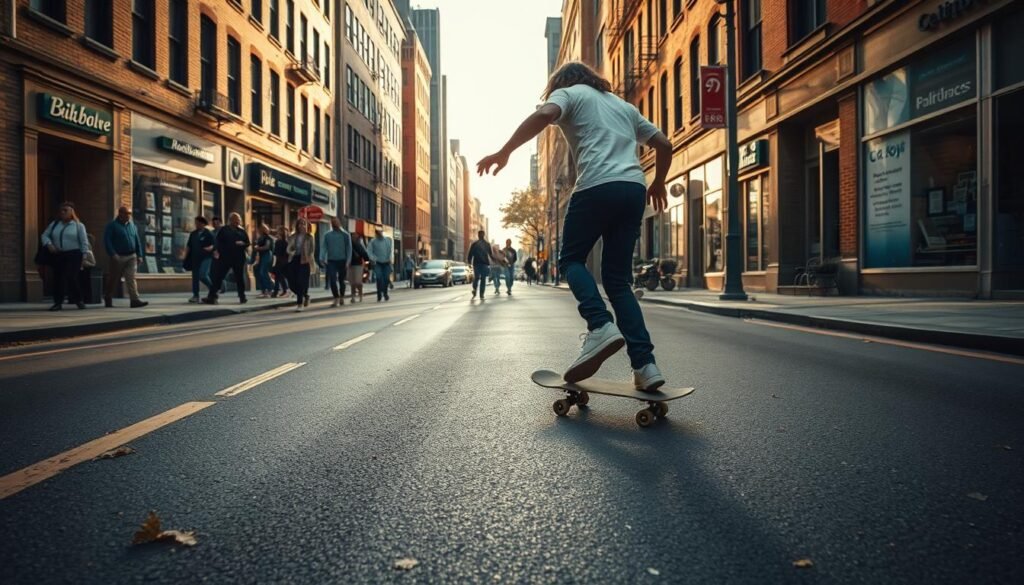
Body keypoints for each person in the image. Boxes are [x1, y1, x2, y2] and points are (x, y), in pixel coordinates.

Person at [477, 61, 671, 391]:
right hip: (633, 189)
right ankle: (646, 366)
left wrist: (504, 151)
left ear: (561, 82)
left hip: (596, 185)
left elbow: (543, 116)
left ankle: (599, 325)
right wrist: (659, 182)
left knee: (571, 260)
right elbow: (664, 145)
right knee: (618, 281)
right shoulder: (623, 106)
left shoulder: (569, 94)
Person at [41, 202, 90, 311]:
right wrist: (49, 244)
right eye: (61, 210)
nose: (63, 212)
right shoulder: (55, 224)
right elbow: (44, 235)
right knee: (58, 278)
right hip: (59, 255)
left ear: (71, 212)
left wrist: (84, 255)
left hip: (74, 254)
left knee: (71, 277)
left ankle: (78, 300)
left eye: (65, 210)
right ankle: (58, 303)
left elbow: (84, 241)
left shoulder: (78, 225)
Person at [103, 205, 148, 309]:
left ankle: (134, 300)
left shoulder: (132, 225)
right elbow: (107, 241)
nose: (129, 216)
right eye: (127, 214)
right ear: (120, 214)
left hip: (131, 256)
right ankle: (108, 297)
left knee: (131, 278)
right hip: (118, 256)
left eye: (130, 214)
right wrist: (113, 254)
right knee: (113, 279)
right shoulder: (112, 226)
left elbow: (137, 240)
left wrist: (139, 255)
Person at [202, 212, 249, 305]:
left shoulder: (242, 231)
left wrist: (243, 243)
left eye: (239, 220)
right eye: (236, 220)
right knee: (219, 277)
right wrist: (217, 251)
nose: (238, 222)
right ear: (230, 220)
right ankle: (212, 297)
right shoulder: (224, 230)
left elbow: (247, 242)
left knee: (239, 277)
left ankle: (242, 297)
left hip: (239, 257)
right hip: (225, 257)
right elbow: (217, 242)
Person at [320, 217, 352, 308]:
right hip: (331, 261)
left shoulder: (345, 235)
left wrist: (348, 261)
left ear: (339, 223)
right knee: (332, 280)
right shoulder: (328, 235)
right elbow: (324, 247)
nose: (334, 224)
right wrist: (321, 258)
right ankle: (336, 297)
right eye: (333, 222)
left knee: (342, 281)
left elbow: (349, 249)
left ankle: (342, 296)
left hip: (342, 260)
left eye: (336, 222)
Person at [183, 216, 215, 303]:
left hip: (206, 257)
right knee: (195, 277)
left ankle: (213, 289)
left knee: (203, 274)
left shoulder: (208, 233)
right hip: (195, 258)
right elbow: (189, 246)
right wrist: (185, 255)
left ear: (203, 224)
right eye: (195, 223)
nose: (196, 224)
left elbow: (214, 245)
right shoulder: (193, 234)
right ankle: (195, 296)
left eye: (198, 223)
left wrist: (210, 248)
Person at [287, 218, 316, 311]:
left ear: (307, 226)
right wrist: (291, 252)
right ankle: (305, 295)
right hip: (294, 259)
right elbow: (288, 248)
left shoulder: (309, 237)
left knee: (301, 282)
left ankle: (299, 304)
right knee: (292, 283)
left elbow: (312, 250)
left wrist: (310, 260)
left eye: (303, 224)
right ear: (297, 226)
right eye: (300, 224)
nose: (302, 225)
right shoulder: (293, 236)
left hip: (305, 260)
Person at [367, 227, 393, 302]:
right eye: (378, 232)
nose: (380, 233)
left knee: (386, 279)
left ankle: (385, 293)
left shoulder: (388, 240)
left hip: (386, 263)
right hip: (378, 263)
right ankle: (379, 294)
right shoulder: (373, 242)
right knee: (379, 278)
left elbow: (390, 251)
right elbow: (369, 251)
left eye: (380, 232)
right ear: (376, 233)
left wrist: (390, 259)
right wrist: (373, 258)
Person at [466, 230, 491, 300]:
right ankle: (477, 291)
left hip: (482, 263)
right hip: (479, 263)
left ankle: (480, 293)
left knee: (480, 278)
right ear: (479, 235)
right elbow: (470, 253)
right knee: (479, 278)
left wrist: (469, 261)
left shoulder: (485, 244)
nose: (481, 236)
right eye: (480, 235)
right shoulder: (476, 244)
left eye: (481, 234)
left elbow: (490, 254)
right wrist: (469, 261)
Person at [252, 224, 275, 298]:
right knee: (259, 272)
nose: (262, 230)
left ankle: (269, 289)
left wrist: (258, 248)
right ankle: (263, 290)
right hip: (261, 256)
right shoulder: (260, 238)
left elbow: (267, 247)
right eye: (261, 228)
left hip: (267, 255)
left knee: (263, 271)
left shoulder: (268, 238)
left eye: (264, 228)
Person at [349, 234, 369, 303]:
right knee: (352, 282)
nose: (354, 238)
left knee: (358, 282)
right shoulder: (348, 245)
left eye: (355, 236)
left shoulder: (359, 245)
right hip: (350, 264)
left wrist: (367, 262)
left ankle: (360, 294)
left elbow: (364, 253)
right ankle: (353, 297)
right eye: (353, 236)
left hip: (358, 264)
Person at [272, 226, 290, 298]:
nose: (277, 232)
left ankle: (278, 291)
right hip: (285, 261)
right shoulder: (287, 241)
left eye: (278, 231)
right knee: (280, 276)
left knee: (278, 276)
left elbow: (275, 253)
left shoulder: (278, 242)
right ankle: (283, 290)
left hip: (279, 261)